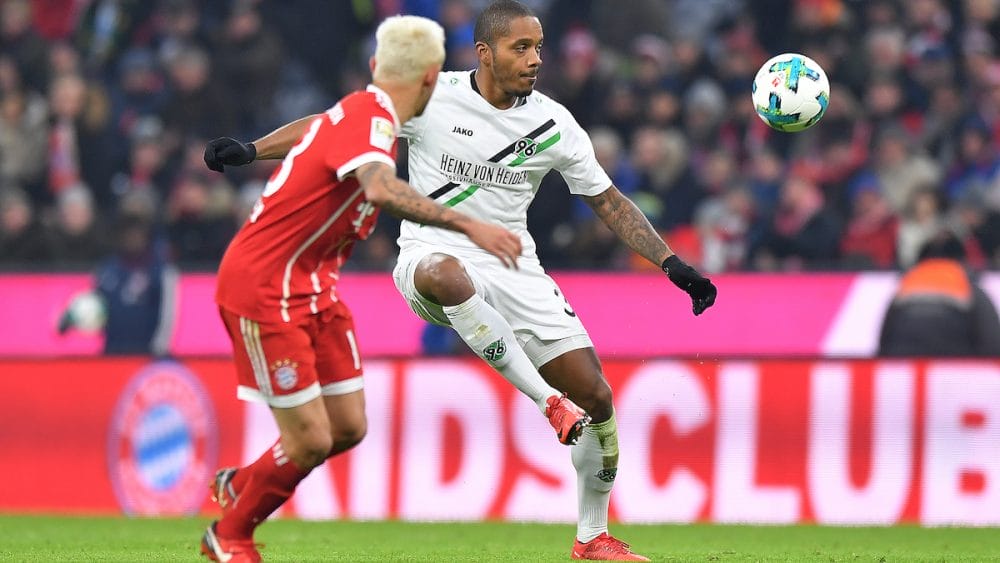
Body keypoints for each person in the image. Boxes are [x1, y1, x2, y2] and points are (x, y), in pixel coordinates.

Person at [204, 3, 717, 560]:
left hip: (513, 263)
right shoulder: (432, 97)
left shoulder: (553, 122)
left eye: (539, 47)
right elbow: (334, 127)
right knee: (446, 275)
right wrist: (254, 149)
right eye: (521, 48)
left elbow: (610, 202)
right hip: (430, 253)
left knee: (596, 397)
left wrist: (671, 263)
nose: (535, 60)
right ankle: (547, 403)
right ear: (484, 53)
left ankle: (592, 537)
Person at [199, 15, 525, 563]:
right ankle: (229, 535)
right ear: (430, 79)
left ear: (377, 68)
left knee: (347, 427)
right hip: (263, 287)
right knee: (309, 441)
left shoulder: (361, 111)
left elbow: (316, 128)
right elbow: (377, 186)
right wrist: (468, 224)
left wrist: (252, 150)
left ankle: (245, 482)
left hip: (313, 288)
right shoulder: (373, 123)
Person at [879, 230, 1000, 357]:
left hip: (905, 360)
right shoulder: (965, 284)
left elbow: (885, 335)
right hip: (953, 361)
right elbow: (991, 337)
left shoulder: (907, 284)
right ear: (964, 261)